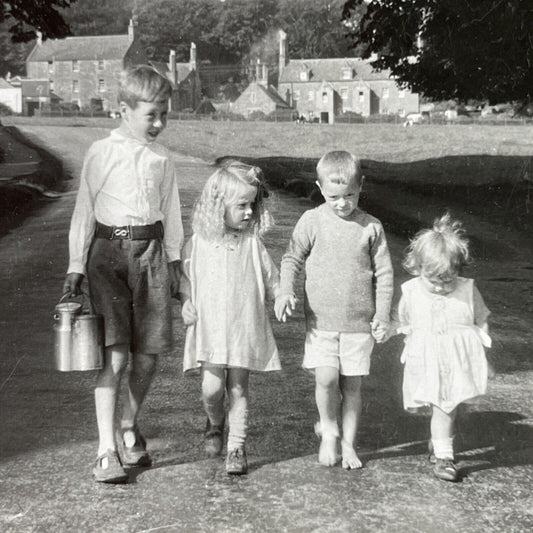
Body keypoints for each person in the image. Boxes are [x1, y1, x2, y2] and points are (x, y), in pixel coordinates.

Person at [62, 65, 183, 483]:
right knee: (114, 356)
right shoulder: (101, 152)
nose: (159, 123)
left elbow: (171, 213)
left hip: (150, 255)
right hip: (107, 256)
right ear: (124, 109)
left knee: (147, 357)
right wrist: (76, 264)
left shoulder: (163, 158)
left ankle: (129, 423)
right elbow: (83, 210)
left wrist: (175, 263)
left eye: (164, 114)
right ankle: (105, 450)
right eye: (151, 114)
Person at [275, 151, 393, 469]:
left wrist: (383, 316)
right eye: (334, 197)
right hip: (320, 321)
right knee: (326, 378)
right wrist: (284, 290)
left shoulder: (371, 227)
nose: (342, 204)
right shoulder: (312, 220)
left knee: (351, 386)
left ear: (361, 186)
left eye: (350, 195)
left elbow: (384, 276)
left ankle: (349, 445)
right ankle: (329, 431)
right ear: (319, 187)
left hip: (358, 324)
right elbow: (291, 258)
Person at [179, 160, 281, 475]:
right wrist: (185, 302)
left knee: (238, 388)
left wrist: (280, 298)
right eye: (241, 205)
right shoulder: (198, 242)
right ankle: (215, 422)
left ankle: (237, 446)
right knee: (211, 388)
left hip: (242, 328)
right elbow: (186, 279)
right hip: (209, 328)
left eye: (252, 205)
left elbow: (271, 277)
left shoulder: (253, 243)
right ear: (217, 206)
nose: (249, 211)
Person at [390, 213, 491, 482]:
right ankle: (444, 456)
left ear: (458, 269)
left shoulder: (468, 290)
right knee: (443, 407)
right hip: (428, 361)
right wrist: (387, 330)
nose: (440, 286)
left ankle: (440, 441)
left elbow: (481, 320)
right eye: (432, 279)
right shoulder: (411, 291)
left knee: (454, 406)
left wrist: (484, 358)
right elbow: (402, 320)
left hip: (459, 360)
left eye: (448, 279)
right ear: (417, 266)